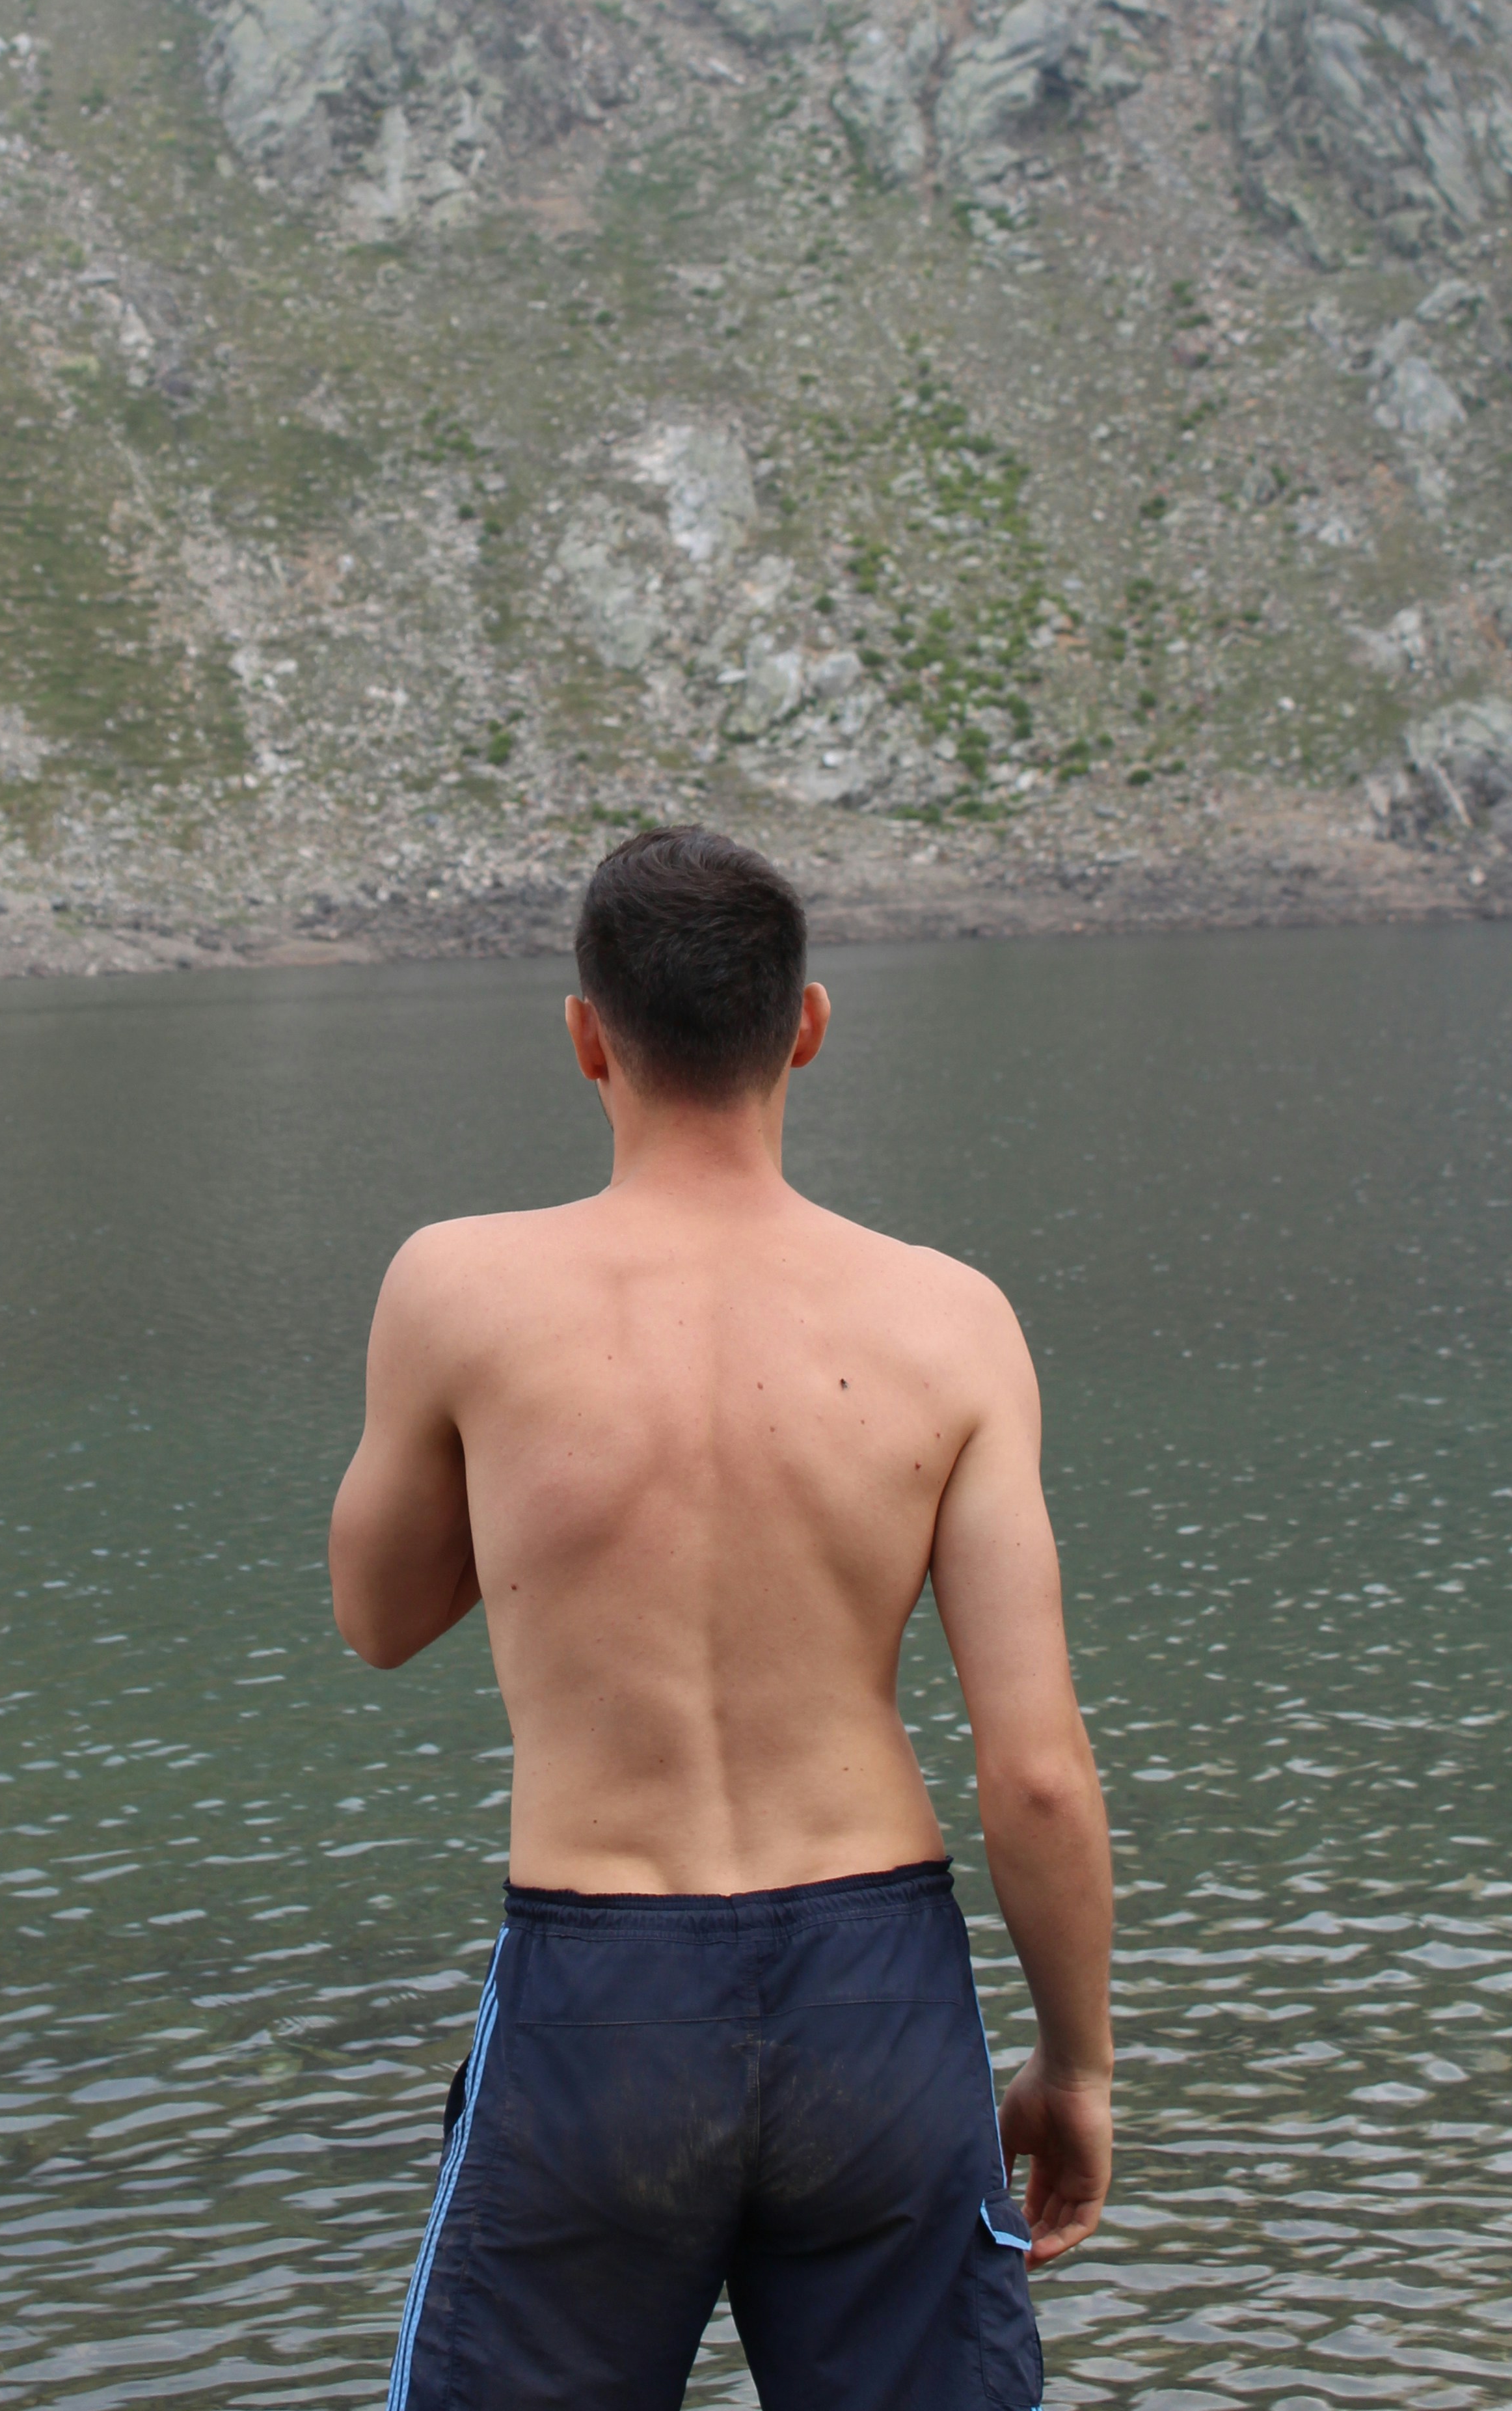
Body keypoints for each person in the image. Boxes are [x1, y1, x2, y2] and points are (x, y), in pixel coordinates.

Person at [329, 824, 1112, 2411]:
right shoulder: (951, 1320)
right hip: (879, 2001)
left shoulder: (458, 1291)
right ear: (806, 1026)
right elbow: (1035, 1773)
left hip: (598, 2002)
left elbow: (381, 1617)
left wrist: (543, 1487)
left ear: (585, 1037)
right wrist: (1076, 2062)